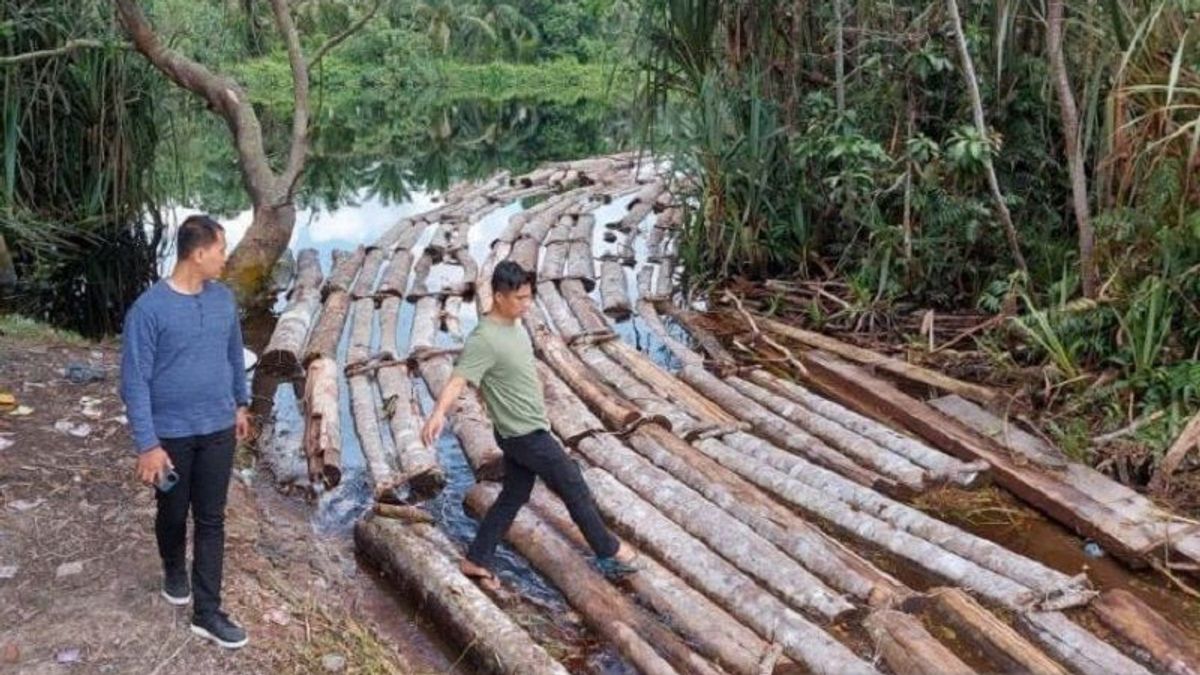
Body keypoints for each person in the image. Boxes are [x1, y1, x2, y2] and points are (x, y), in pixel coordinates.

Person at [420, 261, 638, 589]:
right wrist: (437, 414)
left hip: (523, 431)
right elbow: (458, 379)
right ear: (498, 296)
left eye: (529, 297)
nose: (527, 304)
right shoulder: (484, 339)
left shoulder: (515, 325)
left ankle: (475, 559)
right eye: (520, 298)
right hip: (525, 436)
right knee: (573, 484)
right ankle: (609, 552)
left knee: (513, 495)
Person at [120, 214, 252, 649]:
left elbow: (235, 356)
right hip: (171, 435)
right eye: (220, 250)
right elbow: (135, 381)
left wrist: (240, 403)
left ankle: (208, 612)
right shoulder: (149, 310)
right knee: (173, 514)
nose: (224, 259)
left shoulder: (223, 301)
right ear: (198, 254)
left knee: (212, 519)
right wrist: (148, 445)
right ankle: (174, 568)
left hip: (217, 428)